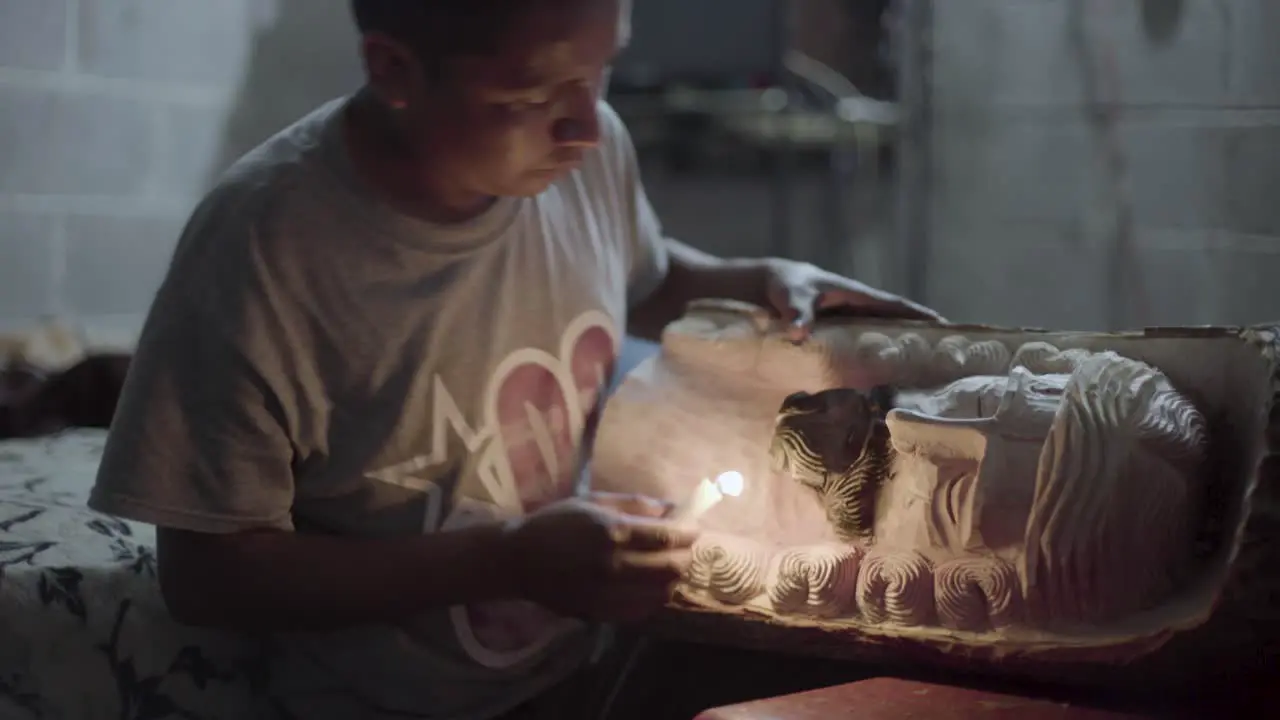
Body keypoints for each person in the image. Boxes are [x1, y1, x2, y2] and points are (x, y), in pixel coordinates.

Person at [88, 0, 941, 718]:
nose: (582, 123)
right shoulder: (266, 251)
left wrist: (764, 280)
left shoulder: (588, 146)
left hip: (580, 666)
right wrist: (507, 560)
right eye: (529, 94)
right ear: (393, 70)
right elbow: (208, 577)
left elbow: (639, 276)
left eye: (600, 71)